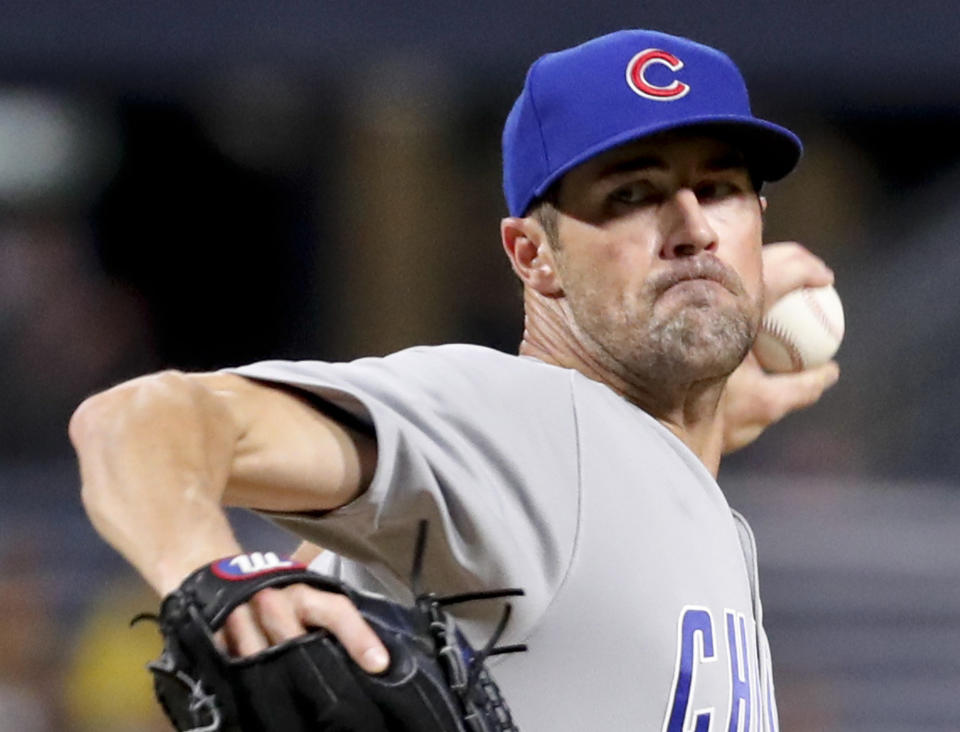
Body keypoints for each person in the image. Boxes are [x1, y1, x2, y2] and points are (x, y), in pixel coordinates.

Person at [69, 29, 839, 731]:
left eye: (720, 189)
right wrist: (222, 577)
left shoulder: (660, 480)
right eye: (631, 195)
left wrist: (710, 418)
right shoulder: (520, 421)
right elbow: (140, 421)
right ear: (534, 255)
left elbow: (608, 493)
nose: (693, 227)